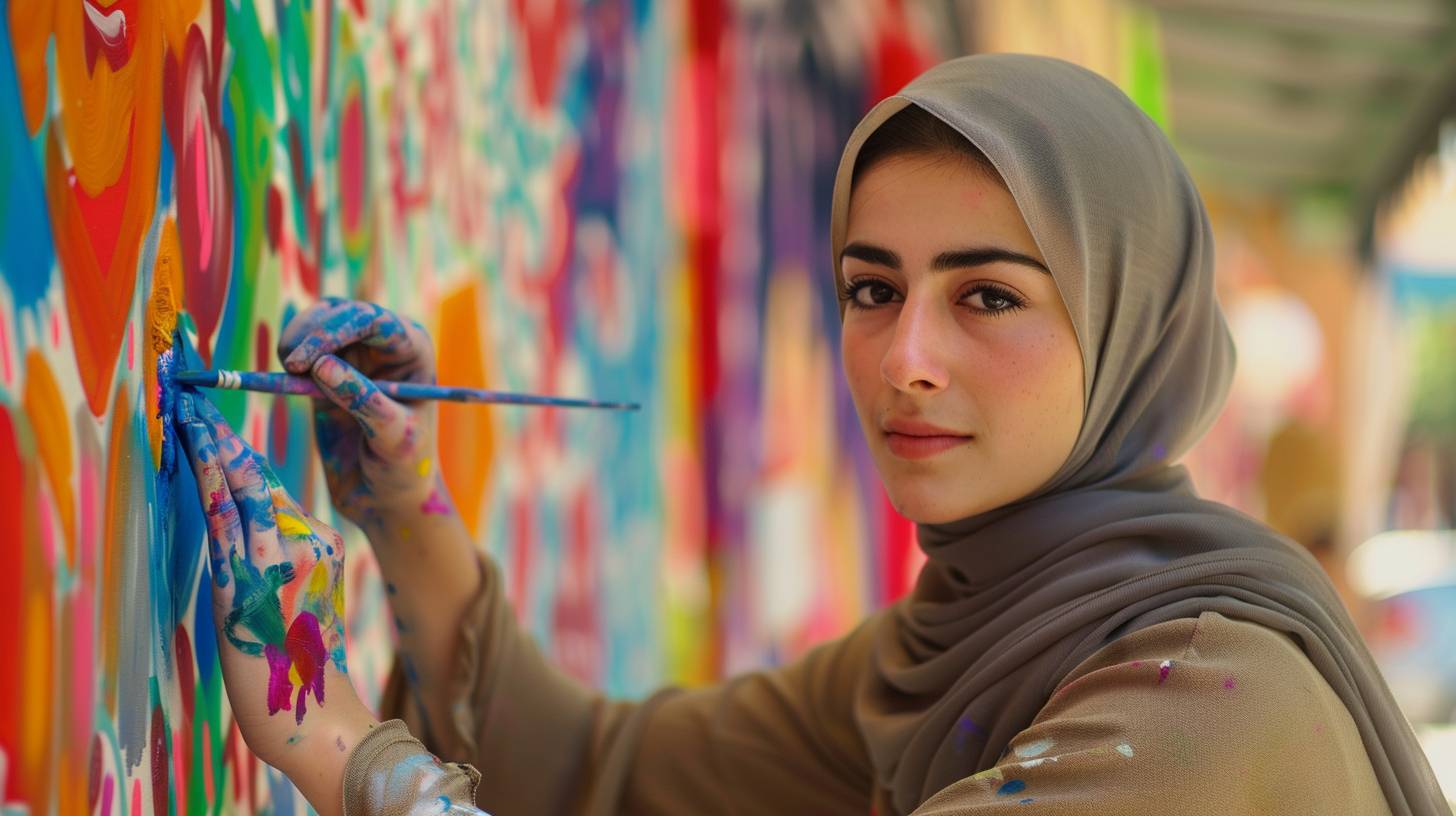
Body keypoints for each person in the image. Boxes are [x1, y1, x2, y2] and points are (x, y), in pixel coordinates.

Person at [174, 54, 1451, 815]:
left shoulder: (1203, 702)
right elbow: (604, 779)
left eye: (989, 297)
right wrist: (405, 509)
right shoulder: (958, 637)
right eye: (871, 289)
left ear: (1126, 329)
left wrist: (343, 754)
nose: (905, 360)